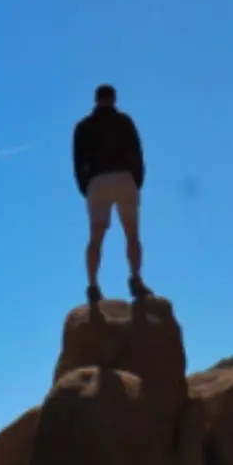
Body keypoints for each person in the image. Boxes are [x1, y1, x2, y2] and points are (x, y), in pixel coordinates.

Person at [73, 85, 149, 306]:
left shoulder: (83, 126)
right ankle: (135, 278)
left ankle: (93, 285)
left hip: (97, 181)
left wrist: (86, 187)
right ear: (114, 99)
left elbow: (77, 160)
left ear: (95, 99)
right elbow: (137, 152)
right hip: (124, 177)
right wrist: (137, 181)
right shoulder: (124, 121)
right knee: (132, 233)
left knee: (95, 237)